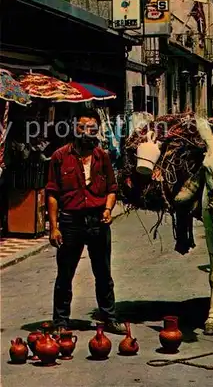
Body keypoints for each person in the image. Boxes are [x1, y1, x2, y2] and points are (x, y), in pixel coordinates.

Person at [46, 108, 126, 334]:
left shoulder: (103, 157)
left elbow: (112, 188)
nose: (86, 132)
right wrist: (54, 227)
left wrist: (108, 209)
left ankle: (109, 318)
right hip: (70, 222)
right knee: (65, 274)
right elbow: (52, 193)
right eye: (82, 127)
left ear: (97, 131)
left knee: (103, 273)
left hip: (98, 221)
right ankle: (61, 322)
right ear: (74, 128)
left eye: (91, 128)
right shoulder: (60, 157)